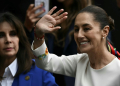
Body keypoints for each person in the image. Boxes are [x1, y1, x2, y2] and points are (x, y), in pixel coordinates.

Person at [32, 5, 120, 86]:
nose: (79, 35)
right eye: (76, 30)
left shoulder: (118, 70)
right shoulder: (80, 61)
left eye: (86, 29)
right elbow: (45, 62)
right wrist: (39, 34)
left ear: (105, 31)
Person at [0, 12, 58, 86]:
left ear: (20, 39)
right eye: (1, 35)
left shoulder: (40, 70)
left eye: (13, 34)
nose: (8, 40)